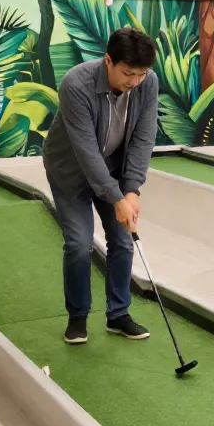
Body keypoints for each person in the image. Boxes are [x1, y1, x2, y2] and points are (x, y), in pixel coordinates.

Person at [42, 27, 160, 345]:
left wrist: (131, 190)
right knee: (79, 244)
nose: (135, 81)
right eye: (128, 74)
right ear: (108, 61)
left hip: (114, 170)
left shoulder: (147, 83)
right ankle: (78, 316)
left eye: (141, 74)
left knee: (123, 241)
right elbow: (86, 151)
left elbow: (143, 137)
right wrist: (116, 199)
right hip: (70, 171)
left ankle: (118, 314)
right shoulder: (76, 84)